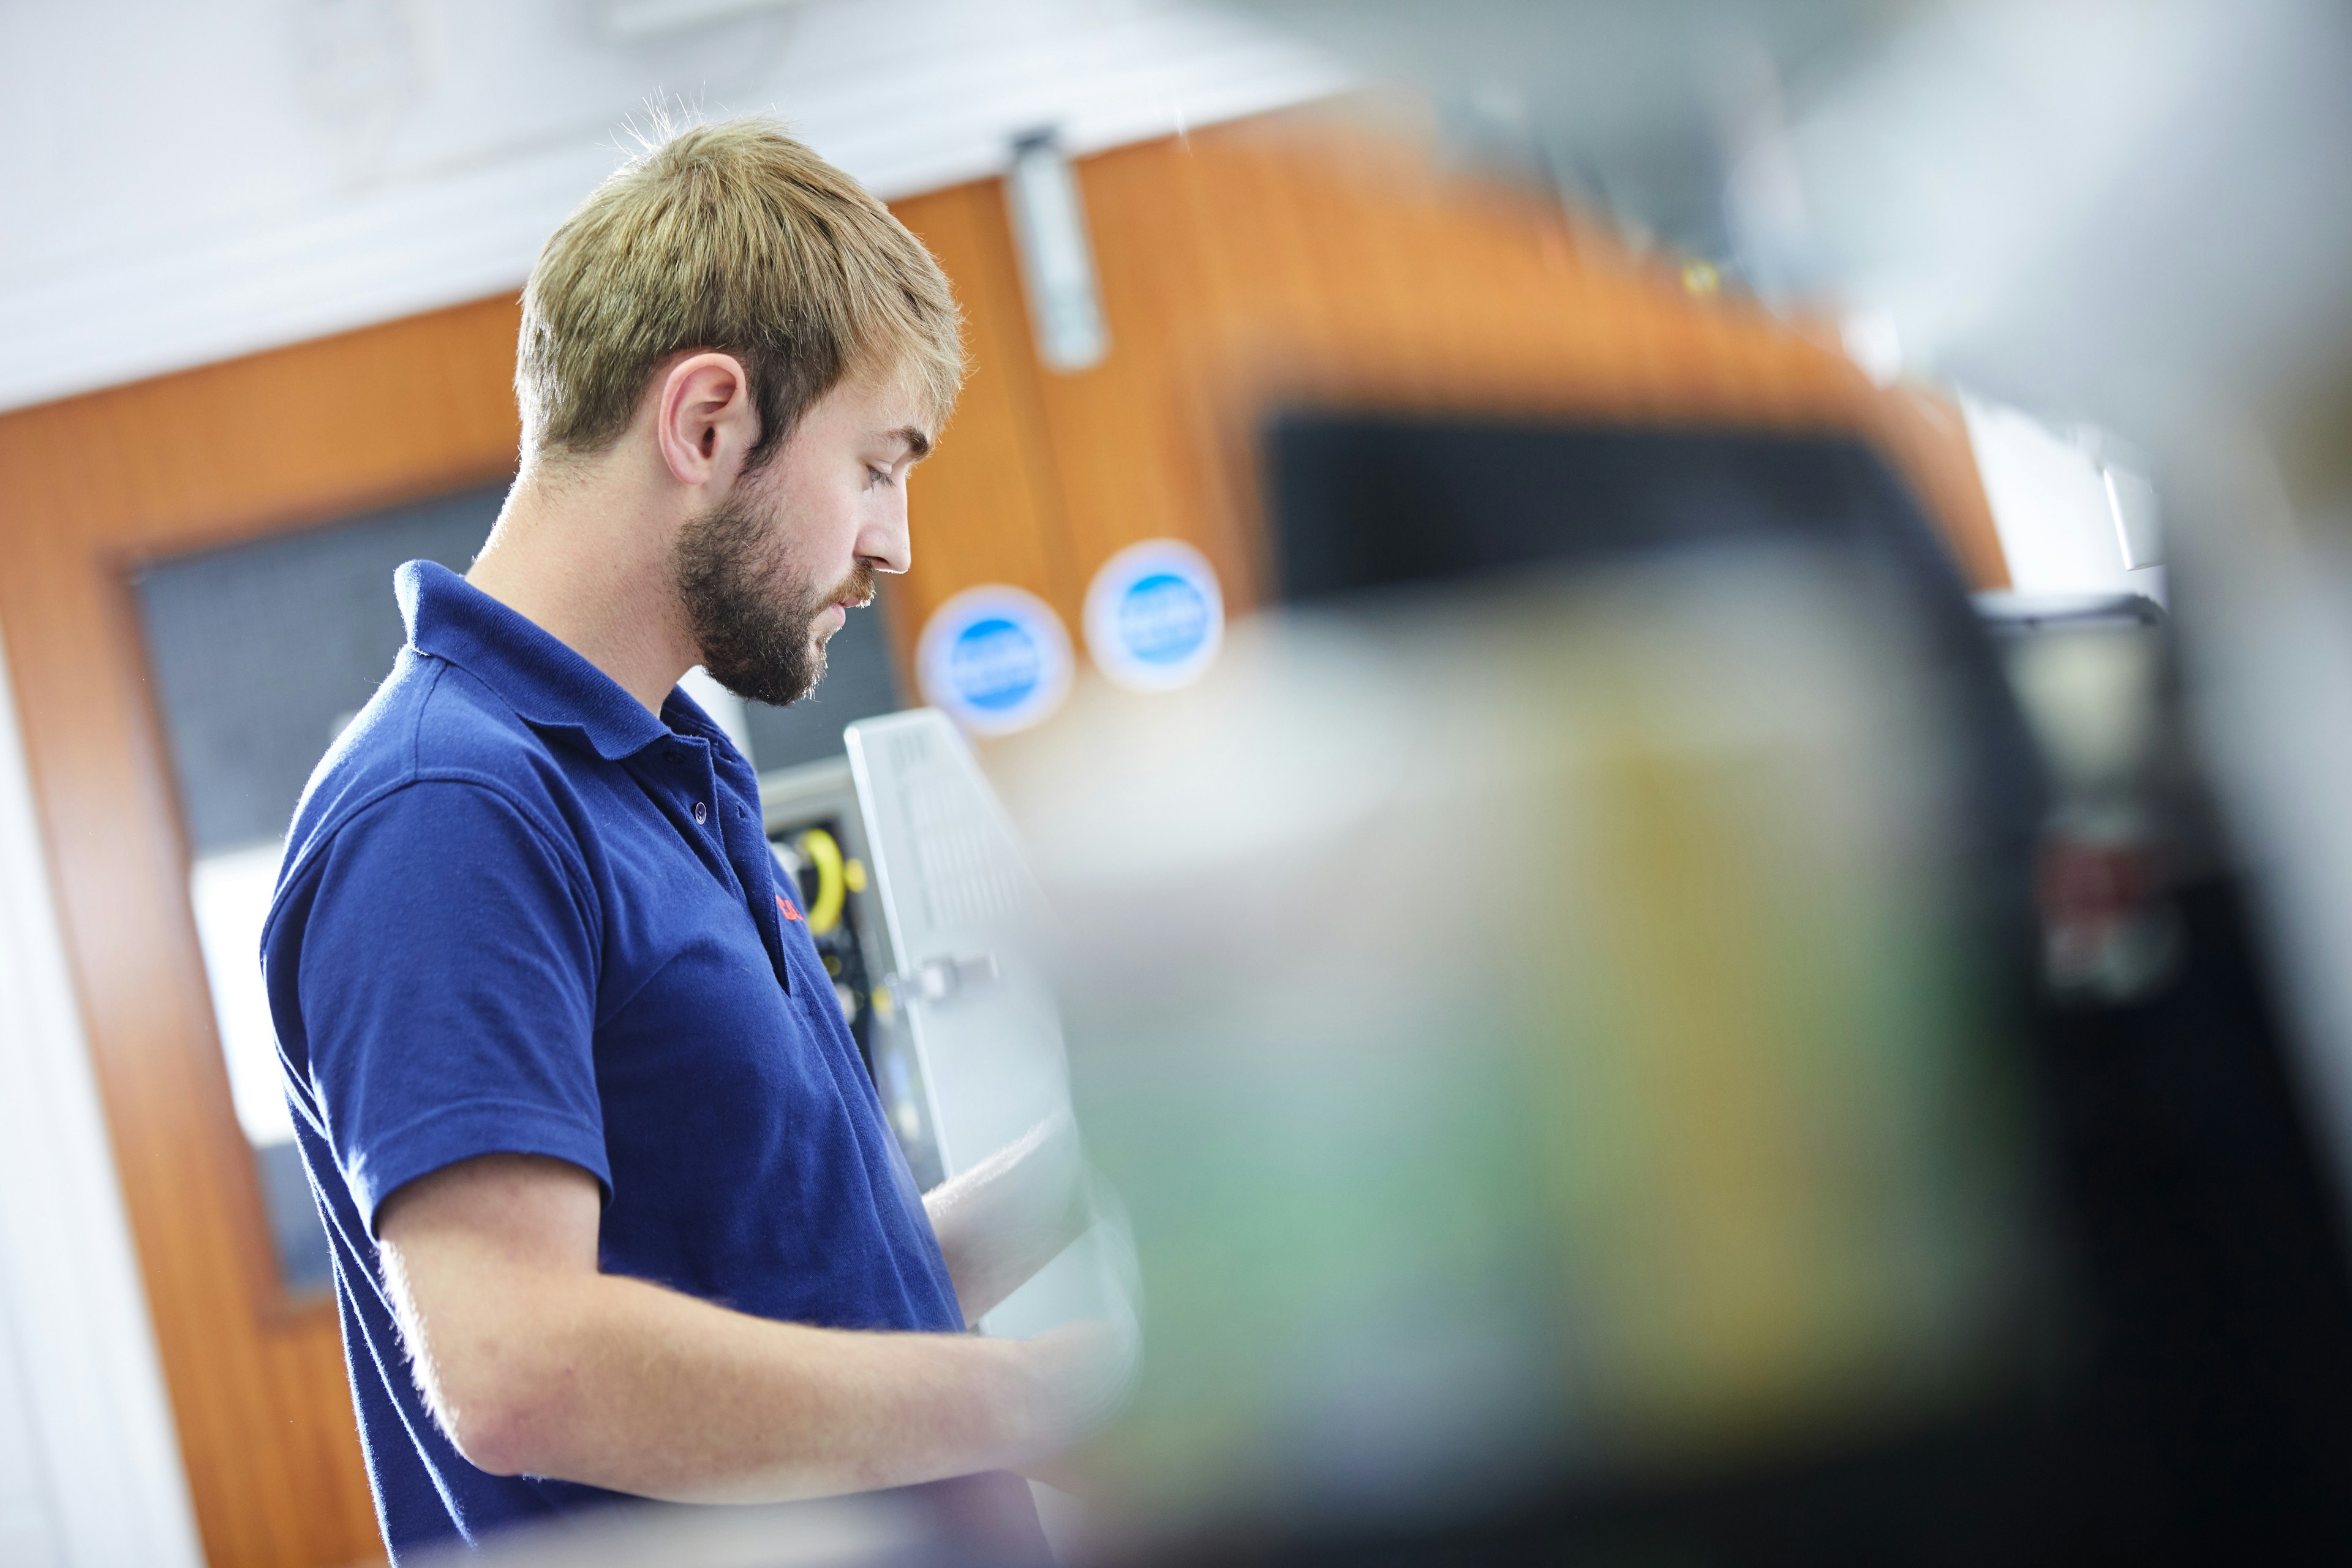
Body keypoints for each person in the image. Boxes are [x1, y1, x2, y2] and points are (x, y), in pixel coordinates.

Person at [262, 117, 1128, 1563]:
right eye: (877, 465)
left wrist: (1123, 1136)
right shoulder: (445, 808)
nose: (896, 540)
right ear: (709, 420)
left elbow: (830, 1288)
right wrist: (1035, 1398)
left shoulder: (673, 772)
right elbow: (522, 1368)